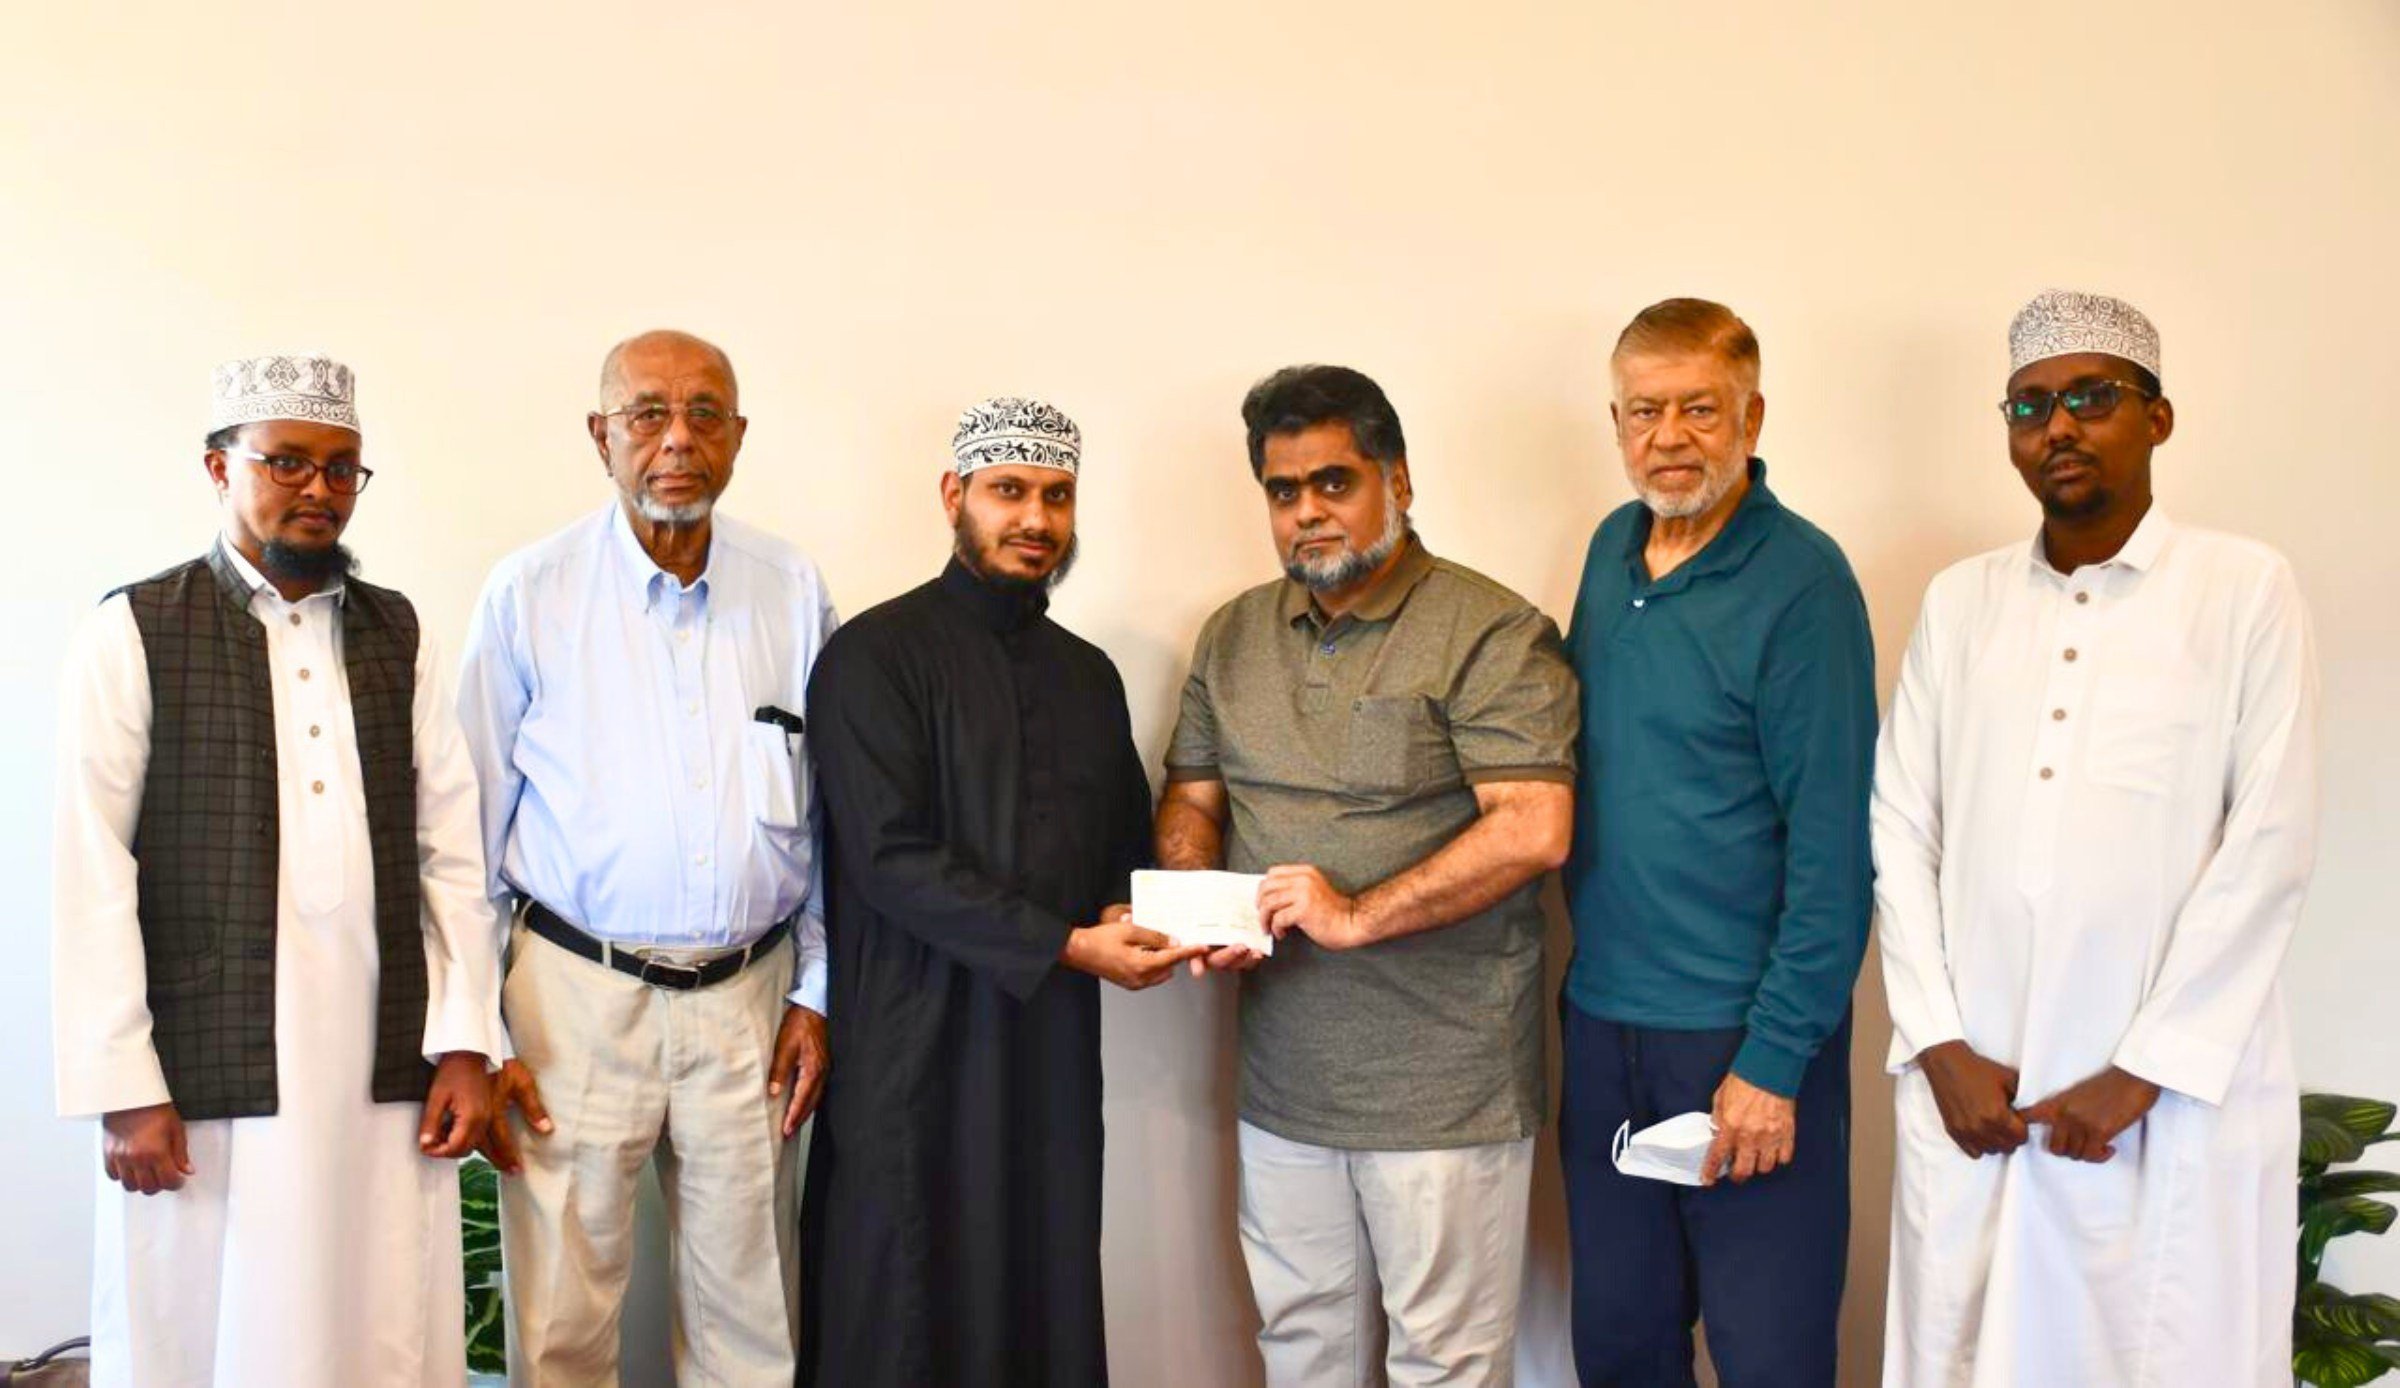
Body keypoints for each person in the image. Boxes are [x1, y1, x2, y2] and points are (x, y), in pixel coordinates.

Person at [1875, 290, 2319, 1386]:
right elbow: (1901, 823)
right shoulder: (1960, 601)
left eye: (2090, 397)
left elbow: (2271, 839)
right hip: (1982, 1089)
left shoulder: (2243, 589)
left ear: (2157, 418)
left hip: (2164, 1101)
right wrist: (1938, 1042)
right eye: (2029, 405)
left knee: (2162, 1346)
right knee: (1970, 1345)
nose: (2057, 426)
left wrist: (2144, 1069)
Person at [52, 353, 503, 1387]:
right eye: (289, 461)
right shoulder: (133, 629)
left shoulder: (401, 631)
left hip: (383, 1060)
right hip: (203, 1059)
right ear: (220, 467)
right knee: (197, 1320)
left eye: (343, 468)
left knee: (377, 1312)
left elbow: (453, 848)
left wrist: (468, 1042)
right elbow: (89, 865)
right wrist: (123, 1084)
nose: (319, 488)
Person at [1155, 365, 1577, 1386]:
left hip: (1446, 1090)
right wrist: (1197, 898)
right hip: (1282, 1084)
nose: (1308, 512)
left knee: (1448, 1363)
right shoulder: (1234, 633)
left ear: (1398, 479)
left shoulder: (1490, 629)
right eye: (1282, 489)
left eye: (1334, 482)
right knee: (1301, 1348)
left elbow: (1534, 826)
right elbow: (1194, 798)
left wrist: (1355, 913)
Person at [457, 330, 835, 1387]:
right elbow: (469, 832)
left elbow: (827, 819)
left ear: (739, 436)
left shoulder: (793, 590)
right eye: (647, 413)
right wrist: (480, 1032)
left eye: (705, 413)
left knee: (752, 1317)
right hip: (574, 1000)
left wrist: (817, 990)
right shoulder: (528, 593)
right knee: (562, 1319)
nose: (678, 439)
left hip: (749, 1004)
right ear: (601, 436)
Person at [799, 397, 1200, 1388]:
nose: (1035, 518)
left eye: (1056, 496)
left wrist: (1125, 915)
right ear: (955, 497)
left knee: (1045, 1269)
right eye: (1009, 491)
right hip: (909, 1040)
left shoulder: (1087, 674)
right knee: (900, 1285)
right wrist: (1067, 944)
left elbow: (1118, 846)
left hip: (1047, 1051)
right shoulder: (872, 656)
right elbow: (886, 856)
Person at [1557, 299, 1876, 1386]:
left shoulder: (1804, 583)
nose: (1672, 435)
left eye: (1702, 407)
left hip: (1743, 1046)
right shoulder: (1611, 549)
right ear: (1616, 421)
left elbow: (1836, 851)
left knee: (1768, 1357)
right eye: (1647, 410)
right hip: (1605, 1031)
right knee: (1622, 1350)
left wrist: (1775, 1060)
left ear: (1753, 413)